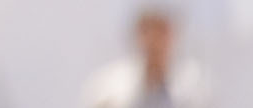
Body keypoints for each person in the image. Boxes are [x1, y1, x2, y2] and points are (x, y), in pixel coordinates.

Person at [83, 6, 211, 108]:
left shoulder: (194, 85)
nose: (154, 42)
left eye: (161, 33)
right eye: (148, 33)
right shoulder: (109, 86)